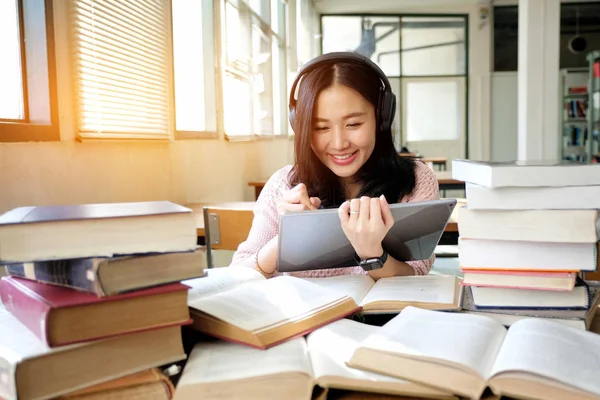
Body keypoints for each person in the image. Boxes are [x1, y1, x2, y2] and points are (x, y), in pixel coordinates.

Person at [230, 52, 440, 279]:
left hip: (388, 316)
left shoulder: (417, 180)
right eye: (321, 128)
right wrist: (285, 239)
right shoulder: (284, 184)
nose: (339, 144)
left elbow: (417, 273)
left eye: (353, 124)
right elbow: (238, 275)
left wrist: (372, 254)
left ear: (382, 118)